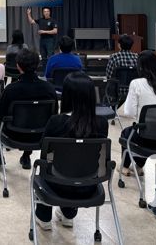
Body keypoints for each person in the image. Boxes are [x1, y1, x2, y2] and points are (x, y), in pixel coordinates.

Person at [34, 72, 108, 230]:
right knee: (78, 165)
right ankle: (69, 214)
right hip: (88, 186)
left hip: (56, 185)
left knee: (45, 165)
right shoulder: (101, 123)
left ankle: (44, 217)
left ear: (67, 96)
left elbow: (43, 148)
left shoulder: (56, 121)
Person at [0, 49, 58, 170]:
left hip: (14, 135)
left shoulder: (11, 90)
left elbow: (1, 116)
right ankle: (33, 158)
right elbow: (54, 116)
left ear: (18, 66)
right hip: (41, 135)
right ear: (37, 65)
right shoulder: (49, 89)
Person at [119, 50, 156, 174]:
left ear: (140, 67)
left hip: (146, 140)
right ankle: (139, 166)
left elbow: (129, 112)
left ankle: (125, 166)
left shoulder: (136, 84)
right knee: (139, 131)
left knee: (128, 133)